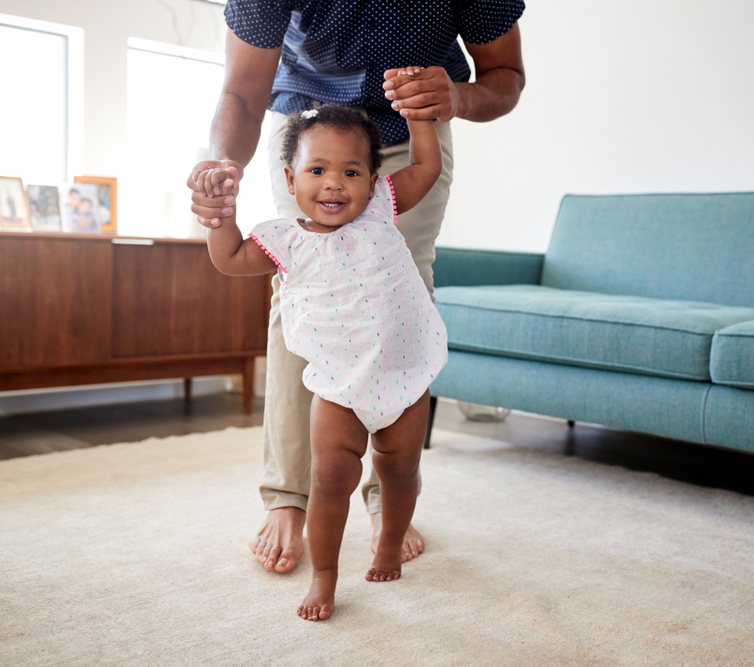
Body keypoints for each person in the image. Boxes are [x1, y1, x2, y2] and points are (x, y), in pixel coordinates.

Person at [188, 0, 526, 575]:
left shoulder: (391, 183)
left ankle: (386, 494)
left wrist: (454, 98)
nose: (336, 187)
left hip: (411, 131)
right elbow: (242, 93)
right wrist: (220, 177)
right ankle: (289, 495)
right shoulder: (297, 192)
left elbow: (506, 75)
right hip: (308, 133)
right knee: (301, 291)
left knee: (402, 288)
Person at [201, 97, 445, 621]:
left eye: (350, 172)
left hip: (403, 377)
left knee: (400, 470)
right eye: (317, 171)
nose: (334, 184)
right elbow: (228, 258)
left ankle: (389, 543)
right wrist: (220, 214)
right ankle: (325, 577)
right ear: (290, 181)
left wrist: (419, 119)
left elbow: (426, 166)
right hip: (337, 386)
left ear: (373, 182)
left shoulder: (381, 209)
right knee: (331, 479)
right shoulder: (284, 240)